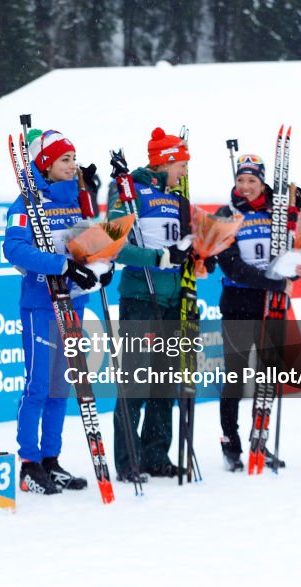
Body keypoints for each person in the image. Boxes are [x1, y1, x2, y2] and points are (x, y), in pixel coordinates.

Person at [3, 129, 108, 495]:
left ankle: (51, 459)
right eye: (65, 159)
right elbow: (13, 250)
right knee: (37, 386)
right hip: (41, 304)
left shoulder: (79, 200)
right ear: (45, 163)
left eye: (74, 158)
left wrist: (99, 266)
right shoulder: (27, 203)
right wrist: (61, 267)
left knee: (61, 387)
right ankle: (29, 463)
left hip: (75, 302)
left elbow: (90, 243)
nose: (72, 164)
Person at [107, 127, 192, 481]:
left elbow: (183, 246)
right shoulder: (129, 192)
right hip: (141, 297)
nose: (184, 172)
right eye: (182, 165)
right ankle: (128, 461)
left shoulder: (176, 200)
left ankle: (156, 455)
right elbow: (112, 245)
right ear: (167, 160)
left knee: (164, 382)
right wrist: (157, 258)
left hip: (172, 299)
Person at [215, 153, 301, 472]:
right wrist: (270, 280)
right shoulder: (227, 214)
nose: (245, 186)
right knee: (236, 378)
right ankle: (231, 443)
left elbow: (293, 257)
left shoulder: (278, 214)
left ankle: (260, 442)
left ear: (263, 182)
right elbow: (230, 264)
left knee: (268, 377)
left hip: (271, 305)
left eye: (252, 181)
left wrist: (292, 272)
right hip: (238, 303)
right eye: (240, 180)